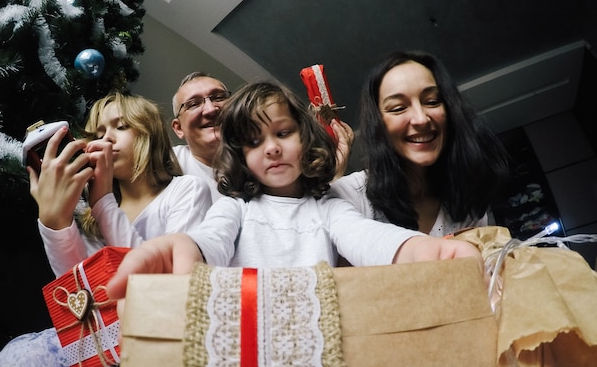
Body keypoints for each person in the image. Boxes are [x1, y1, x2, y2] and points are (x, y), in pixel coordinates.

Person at [107, 80, 484, 301]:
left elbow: (369, 238)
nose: (271, 147)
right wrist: (183, 247)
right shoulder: (236, 208)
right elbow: (210, 240)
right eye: (254, 142)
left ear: (305, 138)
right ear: (240, 156)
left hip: (317, 337)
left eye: (283, 133)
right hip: (249, 336)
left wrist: (425, 248)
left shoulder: (329, 209)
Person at [0, 92, 212, 367]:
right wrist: (55, 220)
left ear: (150, 135)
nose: (105, 139)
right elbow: (77, 293)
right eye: (97, 132)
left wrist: (104, 201)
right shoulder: (89, 213)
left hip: (150, 338)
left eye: (121, 127)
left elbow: (158, 290)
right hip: (92, 337)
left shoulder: (185, 191)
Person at [330, 50, 510, 237]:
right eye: (399, 108)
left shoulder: (467, 200)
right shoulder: (353, 194)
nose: (421, 119)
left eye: (432, 102)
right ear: (379, 125)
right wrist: (331, 179)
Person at [171, 71, 354, 201]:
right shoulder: (167, 163)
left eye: (219, 97)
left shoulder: (271, 162)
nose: (211, 109)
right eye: (193, 104)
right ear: (178, 128)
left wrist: (330, 176)